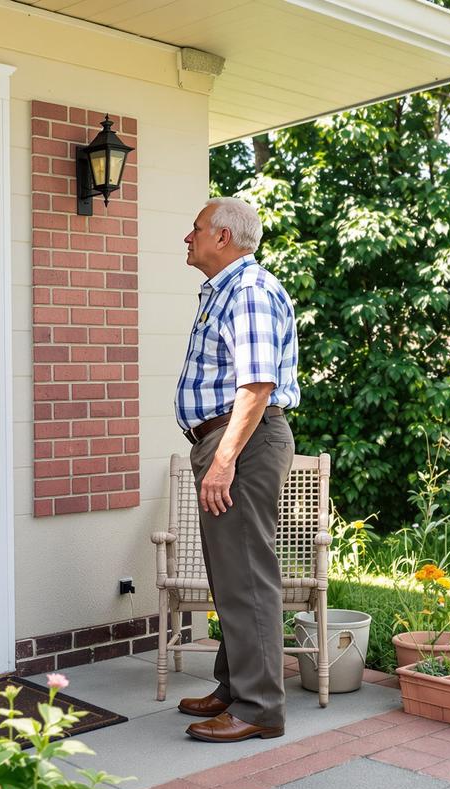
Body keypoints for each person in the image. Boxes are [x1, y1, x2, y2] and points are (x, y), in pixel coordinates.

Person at [173, 197, 300, 743]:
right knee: (233, 576)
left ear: (223, 237)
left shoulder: (248, 292)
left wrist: (223, 460)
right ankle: (233, 687)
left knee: (248, 578)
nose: (188, 236)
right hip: (230, 441)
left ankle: (259, 709)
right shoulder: (226, 291)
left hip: (241, 442)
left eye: (195, 228)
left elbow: (256, 384)